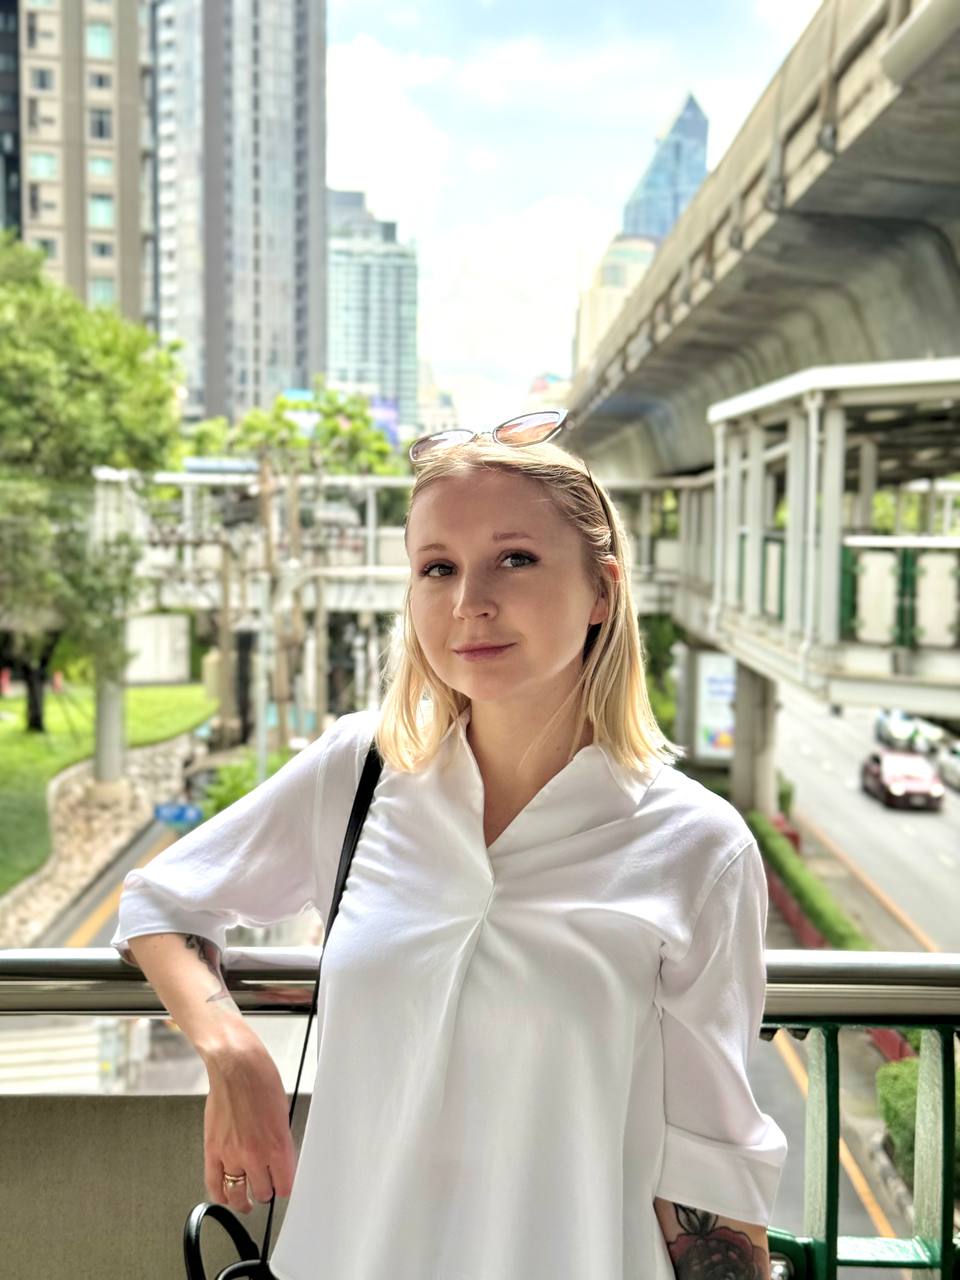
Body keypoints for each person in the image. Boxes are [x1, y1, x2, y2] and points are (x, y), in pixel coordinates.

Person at [111, 411, 788, 1280]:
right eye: (438, 568)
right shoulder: (359, 772)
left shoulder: (697, 847)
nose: (470, 602)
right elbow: (160, 901)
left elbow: (712, 1162)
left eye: (516, 559)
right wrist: (231, 1050)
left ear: (602, 593)